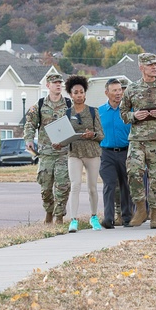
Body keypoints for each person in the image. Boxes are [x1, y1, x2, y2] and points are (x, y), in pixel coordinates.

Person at [120, 53, 156, 229]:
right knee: (133, 172)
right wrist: (134, 115)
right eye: (149, 65)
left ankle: (155, 213)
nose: (154, 67)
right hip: (137, 138)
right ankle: (140, 207)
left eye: (154, 64)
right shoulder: (132, 89)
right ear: (141, 67)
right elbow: (123, 113)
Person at [53, 75, 104, 233]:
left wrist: (92, 135)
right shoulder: (66, 114)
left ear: (85, 93)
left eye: (81, 92)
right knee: (75, 186)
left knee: (92, 188)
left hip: (92, 153)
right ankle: (73, 220)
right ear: (71, 95)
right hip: (74, 153)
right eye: (76, 92)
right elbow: (62, 137)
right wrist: (58, 143)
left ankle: (94, 217)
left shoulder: (93, 111)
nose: (79, 95)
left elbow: (101, 135)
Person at [24, 73, 71, 225]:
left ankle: (59, 217)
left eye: (60, 82)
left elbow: (78, 123)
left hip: (64, 153)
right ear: (48, 86)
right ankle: (48, 213)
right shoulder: (39, 105)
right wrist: (29, 139)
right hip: (46, 154)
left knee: (62, 186)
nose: (58, 85)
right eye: (55, 82)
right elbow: (30, 124)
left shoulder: (69, 105)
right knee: (45, 188)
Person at [98, 78, 133, 228]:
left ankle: (126, 218)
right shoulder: (99, 112)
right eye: (115, 90)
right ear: (107, 93)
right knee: (109, 184)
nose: (118, 93)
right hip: (107, 153)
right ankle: (108, 218)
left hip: (126, 151)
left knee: (126, 185)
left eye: (120, 90)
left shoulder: (129, 110)